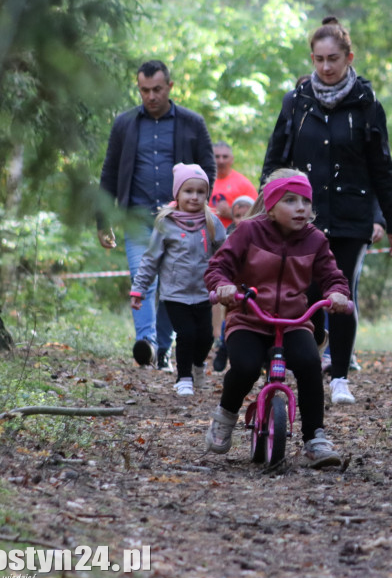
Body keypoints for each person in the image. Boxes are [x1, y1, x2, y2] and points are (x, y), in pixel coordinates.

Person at [261, 16, 392, 406]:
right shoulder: (296, 102)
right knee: (303, 293)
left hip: (352, 215)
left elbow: (382, 166)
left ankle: (339, 374)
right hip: (302, 213)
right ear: (312, 58)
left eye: (334, 59)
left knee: (339, 289)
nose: (326, 67)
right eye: (319, 59)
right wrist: (265, 204)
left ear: (348, 57)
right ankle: (297, 366)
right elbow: (276, 158)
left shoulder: (367, 104)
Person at [204, 172, 351, 467]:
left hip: (294, 320)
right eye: (290, 201)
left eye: (306, 201)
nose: (301, 208)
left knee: (310, 363)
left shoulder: (315, 240)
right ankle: (225, 416)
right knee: (244, 366)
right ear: (270, 206)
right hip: (249, 317)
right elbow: (218, 266)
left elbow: (332, 276)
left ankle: (315, 438)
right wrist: (222, 286)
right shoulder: (248, 231)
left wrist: (337, 293)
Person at [97, 60, 216, 371]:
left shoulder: (192, 122)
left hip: (179, 221)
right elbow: (110, 172)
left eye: (157, 90)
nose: (150, 96)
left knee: (172, 286)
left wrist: (194, 206)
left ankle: (164, 346)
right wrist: (103, 220)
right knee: (143, 278)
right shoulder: (125, 124)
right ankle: (147, 343)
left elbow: (208, 168)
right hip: (136, 218)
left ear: (170, 87)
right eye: (144, 90)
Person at [130, 163, 226, 396]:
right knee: (186, 334)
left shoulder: (211, 222)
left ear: (206, 194)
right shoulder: (166, 223)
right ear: (177, 194)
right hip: (175, 293)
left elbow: (226, 253)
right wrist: (138, 289)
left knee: (205, 337)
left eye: (200, 192)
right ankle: (184, 378)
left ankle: (198, 366)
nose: (194, 197)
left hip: (204, 292)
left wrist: (232, 279)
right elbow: (151, 258)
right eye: (188, 191)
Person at [210, 193, 257, 374]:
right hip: (235, 289)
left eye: (247, 215)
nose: (242, 220)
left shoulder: (261, 236)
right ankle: (223, 348)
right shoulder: (229, 237)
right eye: (237, 216)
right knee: (230, 321)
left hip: (256, 289)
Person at [210, 142, 258, 228]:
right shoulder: (204, 181)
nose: (221, 161)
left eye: (225, 157)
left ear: (232, 159)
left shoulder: (244, 184)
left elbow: (257, 215)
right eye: (217, 156)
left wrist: (231, 213)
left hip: (235, 234)